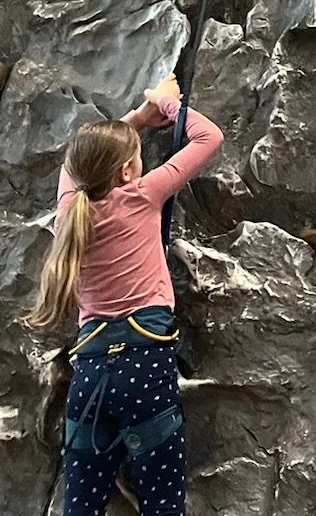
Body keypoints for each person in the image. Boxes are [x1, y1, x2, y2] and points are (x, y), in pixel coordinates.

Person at [26, 74, 223, 516]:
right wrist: (164, 104)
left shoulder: (69, 211)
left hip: (91, 372)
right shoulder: (141, 196)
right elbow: (209, 136)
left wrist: (133, 121)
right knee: (161, 502)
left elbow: (73, 167)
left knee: (82, 505)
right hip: (145, 367)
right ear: (128, 172)